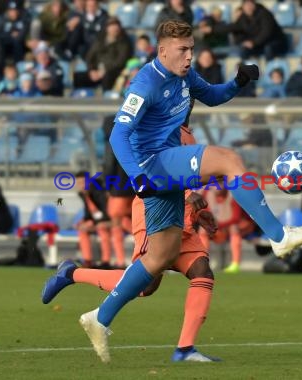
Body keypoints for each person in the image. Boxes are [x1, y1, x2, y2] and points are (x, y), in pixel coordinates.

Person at [78, 20, 302, 363]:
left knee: (157, 260)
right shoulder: (145, 83)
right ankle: (279, 235)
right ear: (162, 51)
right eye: (183, 50)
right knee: (229, 159)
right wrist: (136, 176)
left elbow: (212, 96)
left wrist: (238, 81)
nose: (190, 56)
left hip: (165, 171)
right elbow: (118, 135)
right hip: (153, 163)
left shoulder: (184, 76)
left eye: (192, 49)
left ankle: (99, 319)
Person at [42, 123, 222, 362]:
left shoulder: (186, 129)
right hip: (155, 209)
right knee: (145, 285)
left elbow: (183, 170)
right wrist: (189, 195)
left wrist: (196, 211)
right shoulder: (158, 122)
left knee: (202, 272)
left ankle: (185, 349)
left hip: (182, 213)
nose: (190, 93)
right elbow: (149, 166)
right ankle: (72, 274)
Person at [102, 115, 134, 269]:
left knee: (116, 224)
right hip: (135, 189)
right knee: (132, 222)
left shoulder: (112, 142)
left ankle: (120, 261)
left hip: (118, 190)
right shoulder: (134, 139)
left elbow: (109, 166)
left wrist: (107, 187)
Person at [199, 188, 255, 273]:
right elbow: (205, 218)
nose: (217, 186)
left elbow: (235, 218)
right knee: (202, 230)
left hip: (237, 229)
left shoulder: (233, 195)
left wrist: (220, 222)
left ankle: (235, 264)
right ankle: (203, 262)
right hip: (218, 230)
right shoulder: (207, 195)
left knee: (233, 227)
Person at [72, 172, 118, 268]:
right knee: (82, 230)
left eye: (83, 182)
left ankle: (106, 262)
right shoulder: (83, 194)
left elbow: (106, 211)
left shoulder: (99, 191)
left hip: (110, 221)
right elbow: (89, 212)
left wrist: (93, 222)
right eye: (79, 183)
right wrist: (83, 221)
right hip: (98, 221)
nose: (81, 185)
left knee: (102, 229)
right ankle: (87, 260)